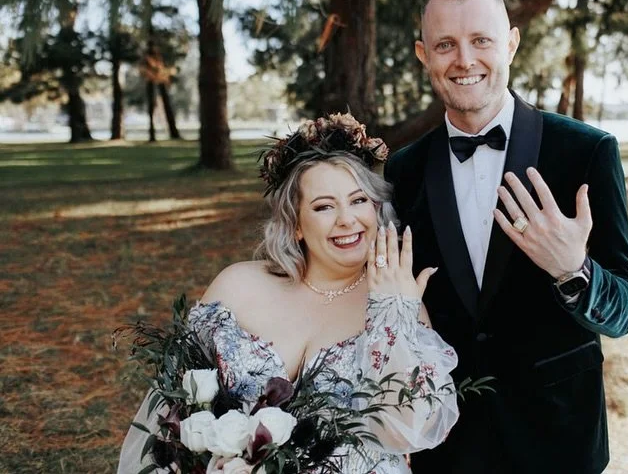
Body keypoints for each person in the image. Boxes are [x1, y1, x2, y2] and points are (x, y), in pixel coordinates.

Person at [385, 0, 628, 474]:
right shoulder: (403, 169)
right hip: (448, 446)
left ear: (512, 43)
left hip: (558, 441)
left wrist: (575, 270)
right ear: (423, 55)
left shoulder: (586, 152)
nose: (464, 60)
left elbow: (626, 312)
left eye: (481, 40)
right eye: (445, 45)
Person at [118, 113, 459, 474]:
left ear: (377, 209)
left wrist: (394, 316)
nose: (347, 220)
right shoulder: (238, 286)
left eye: (359, 201)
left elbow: (411, 429)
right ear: (295, 224)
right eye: (324, 206)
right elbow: (177, 407)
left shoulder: (402, 302)